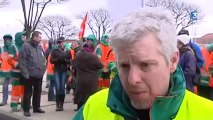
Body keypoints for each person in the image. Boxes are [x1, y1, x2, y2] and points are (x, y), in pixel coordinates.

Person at [73, 7, 213, 120]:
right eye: (124, 66)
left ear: (173, 60)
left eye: (145, 65)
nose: (133, 79)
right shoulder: (93, 108)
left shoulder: (207, 114)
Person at [18, 31, 46, 117]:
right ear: (34, 37)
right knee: (28, 93)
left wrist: (43, 69)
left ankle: (36, 107)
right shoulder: (26, 46)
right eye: (39, 37)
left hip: (39, 74)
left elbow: (43, 58)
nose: (41, 39)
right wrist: (25, 74)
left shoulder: (40, 47)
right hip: (29, 74)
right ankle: (26, 110)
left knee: (38, 91)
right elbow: (22, 61)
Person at [73, 36, 103, 111]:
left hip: (80, 80)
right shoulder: (93, 56)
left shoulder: (78, 55)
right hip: (91, 81)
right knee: (90, 99)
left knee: (81, 98)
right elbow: (101, 66)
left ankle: (79, 114)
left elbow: (74, 65)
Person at [50, 37, 71, 111]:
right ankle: (57, 104)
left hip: (64, 71)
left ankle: (61, 104)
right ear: (58, 43)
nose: (62, 44)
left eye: (62, 42)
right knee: (58, 87)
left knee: (62, 88)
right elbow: (51, 60)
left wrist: (65, 60)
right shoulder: (55, 51)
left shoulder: (67, 51)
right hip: (57, 70)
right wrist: (58, 60)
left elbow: (69, 61)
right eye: (60, 42)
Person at [8, 31, 27, 112]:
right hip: (16, 73)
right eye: (23, 36)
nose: (25, 38)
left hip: (24, 72)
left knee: (24, 89)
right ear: (19, 37)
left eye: (25, 36)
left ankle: (24, 104)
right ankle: (14, 106)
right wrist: (18, 64)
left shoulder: (25, 46)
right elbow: (10, 60)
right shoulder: (13, 47)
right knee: (17, 90)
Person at [0, 34, 14, 106]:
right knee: (5, 86)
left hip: (13, 71)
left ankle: (15, 101)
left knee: (15, 87)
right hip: (5, 73)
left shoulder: (14, 48)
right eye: (6, 39)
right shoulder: (1, 49)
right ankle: (4, 100)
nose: (7, 40)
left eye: (9, 39)